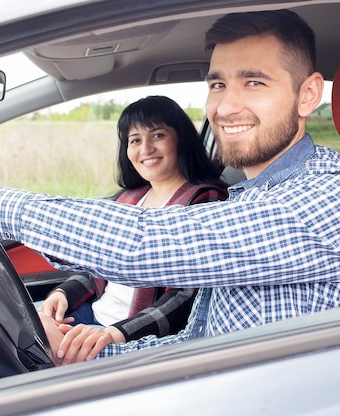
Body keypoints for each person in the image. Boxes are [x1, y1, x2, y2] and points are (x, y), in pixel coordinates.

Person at [0, 9, 340, 385]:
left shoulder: (330, 193)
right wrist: (97, 355)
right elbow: (201, 341)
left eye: (254, 82)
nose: (225, 105)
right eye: (218, 83)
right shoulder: (253, 193)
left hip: (247, 396)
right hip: (205, 380)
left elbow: (147, 243)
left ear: (308, 95)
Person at [38, 95, 227, 354]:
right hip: (91, 317)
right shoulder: (129, 199)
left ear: (181, 139)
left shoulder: (204, 200)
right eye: (135, 140)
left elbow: (187, 296)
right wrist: (61, 295)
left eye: (158, 135)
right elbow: (96, 266)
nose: (146, 148)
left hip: (133, 336)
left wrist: (117, 334)